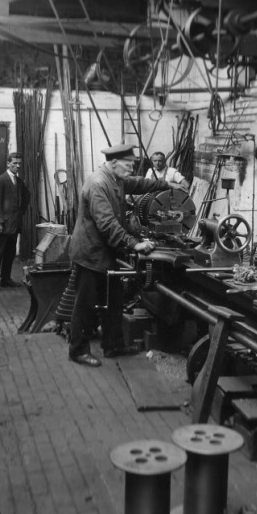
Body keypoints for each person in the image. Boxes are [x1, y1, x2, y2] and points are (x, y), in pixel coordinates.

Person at [68, 143, 182, 367]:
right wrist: (134, 244)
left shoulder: (116, 178)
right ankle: (77, 350)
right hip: (90, 253)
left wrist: (166, 184)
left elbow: (139, 183)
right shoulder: (99, 184)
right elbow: (107, 224)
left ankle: (113, 345)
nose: (132, 168)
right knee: (85, 304)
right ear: (113, 163)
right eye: (129, 164)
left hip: (106, 252)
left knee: (114, 300)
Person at [0, 152, 30, 291]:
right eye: (14, 163)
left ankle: (5, 279)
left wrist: (20, 213)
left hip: (14, 225)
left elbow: (26, 197)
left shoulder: (19, 182)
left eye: (19, 163)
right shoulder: (0, 180)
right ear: (8, 163)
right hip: (2, 226)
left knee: (10, 254)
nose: (17, 166)